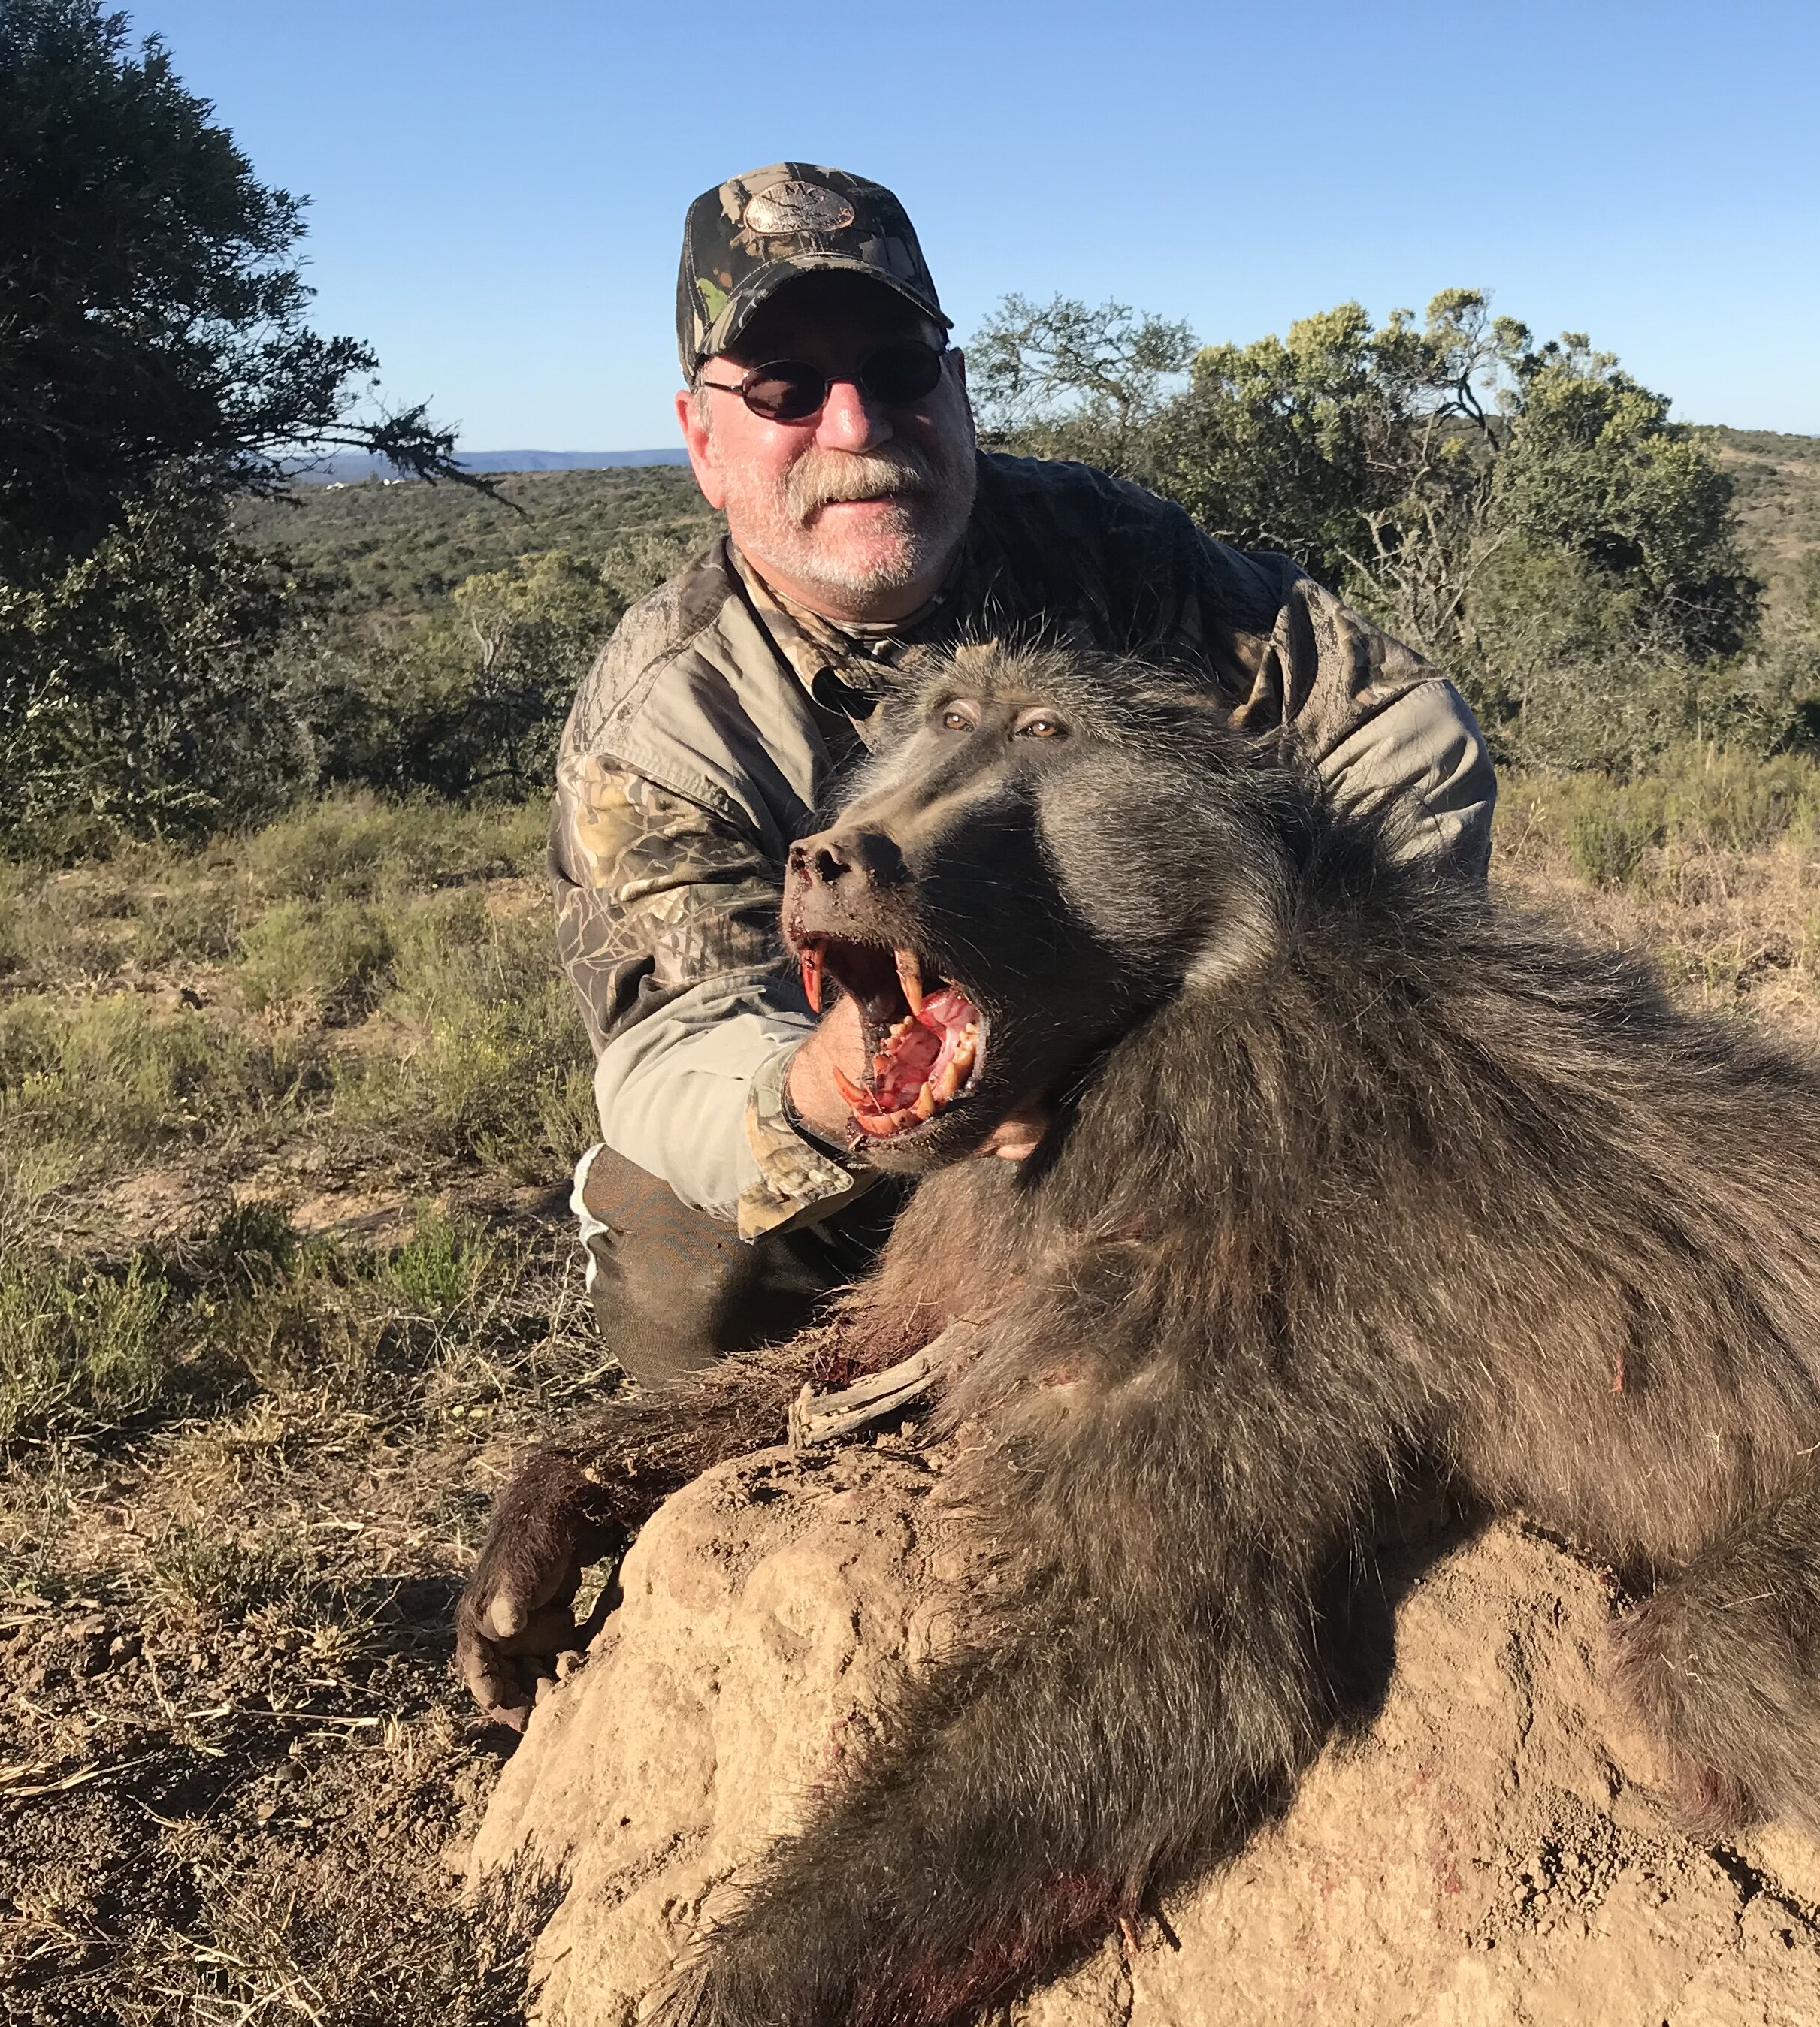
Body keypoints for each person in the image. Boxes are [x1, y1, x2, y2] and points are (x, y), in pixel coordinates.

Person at [552, 164, 1496, 1388]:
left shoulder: (1112, 548)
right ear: (702, 440)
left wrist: (1305, 1013)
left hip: (1177, 1084)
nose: (854, 426)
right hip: (890, 1129)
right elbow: (675, 1042)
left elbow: (1395, 725)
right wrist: (843, 1088)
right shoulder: (670, 717)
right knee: (702, 1289)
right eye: (785, 389)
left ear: (954, 388)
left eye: (893, 371)